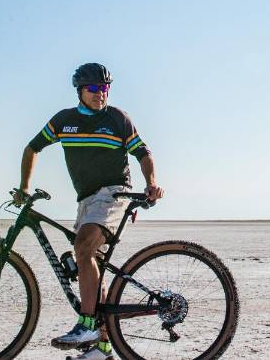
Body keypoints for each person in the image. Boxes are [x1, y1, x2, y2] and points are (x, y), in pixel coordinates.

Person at [14, 62, 164, 360]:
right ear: (80, 91)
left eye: (105, 88)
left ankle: (87, 325)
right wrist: (24, 187)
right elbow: (32, 148)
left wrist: (151, 183)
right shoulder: (64, 120)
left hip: (114, 194)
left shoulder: (118, 119)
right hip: (85, 200)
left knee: (83, 247)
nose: (100, 93)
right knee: (91, 264)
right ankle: (102, 348)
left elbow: (143, 153)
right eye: (94, 88)